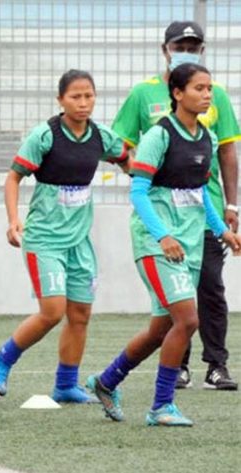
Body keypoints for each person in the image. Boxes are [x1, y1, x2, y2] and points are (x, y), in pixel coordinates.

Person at [87, 63, 241, 427]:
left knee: (161, 329)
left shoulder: (205, 136)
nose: (207, 95)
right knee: (188, 320)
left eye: (209, 89)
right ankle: (161, 406)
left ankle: (106, 381)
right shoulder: (160, 136)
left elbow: (200, 194)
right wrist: (163, 235)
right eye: (199, 89)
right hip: (157, 244)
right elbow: (138, 191)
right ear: (177, 93)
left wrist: (223, 231)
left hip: (189, 245)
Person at [0, 70, 128, 402]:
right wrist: (12, 219)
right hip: (44, 239)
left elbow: (127, 161)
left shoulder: (101, 136)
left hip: (80, 242)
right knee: (52, 311)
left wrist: (147, 173)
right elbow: (13, 177)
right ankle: (1, 360)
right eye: (75, 96)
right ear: (60, 100)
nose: (83, 103)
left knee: (80, 314)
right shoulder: (45, 136)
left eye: (89, 96)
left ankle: (66, 385)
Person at [111, 21, 240, 390]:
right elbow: (122, 150)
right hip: (163, 225)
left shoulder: (212, 118)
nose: (207, 94)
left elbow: (224, 156)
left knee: (205, 294)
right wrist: (146, 178)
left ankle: (215, 366)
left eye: (194, 45)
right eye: (180, 44)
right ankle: (169, 385)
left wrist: (228, 216)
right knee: (180, 315)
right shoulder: (149, 108)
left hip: (202, 216)